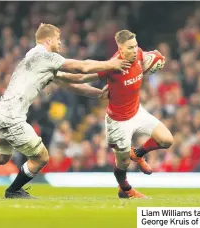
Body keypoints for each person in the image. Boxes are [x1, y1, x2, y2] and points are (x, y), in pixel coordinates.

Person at [0, 23, 131, 199]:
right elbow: (82, 67)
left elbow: (75, 79)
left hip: (2, 112)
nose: (61, 43)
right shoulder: (45, 57)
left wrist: (99, 92)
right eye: (58, 39)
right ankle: (13, 191)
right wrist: (110, 64)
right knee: (41, 157)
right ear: (48, 40)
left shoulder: (35, 56)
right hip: (12, 117)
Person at [56, 30, 174, 199]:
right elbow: (81, 78)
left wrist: (158, 58)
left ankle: (138, 153)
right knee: (123, 163)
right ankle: (125, 189)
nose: (135, 50)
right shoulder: (112, 66)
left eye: (135, 46)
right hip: (118, 121)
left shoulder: (139, 54)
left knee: (166, 140)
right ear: (120, 48)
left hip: (137, 111)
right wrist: (57, 76)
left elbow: (152, 57)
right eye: (130, 48)